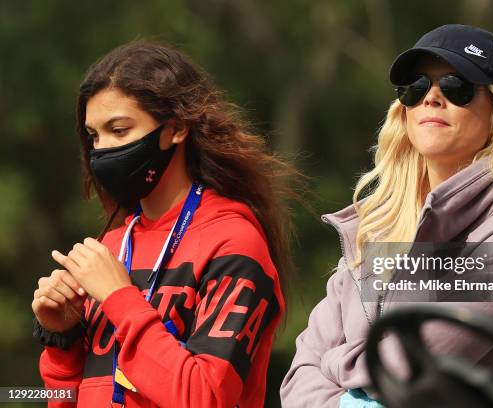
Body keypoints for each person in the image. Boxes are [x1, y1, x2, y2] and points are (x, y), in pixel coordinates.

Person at [280, 24, 493, 407]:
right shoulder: (372, 228)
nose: (431, 97)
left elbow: (405, 368)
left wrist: (331, 368)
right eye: (416, 86)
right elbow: (297, 378)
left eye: (455, 85)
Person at [32, 40, 297, 407]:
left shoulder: (233, 241)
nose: (103, 150)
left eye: (120, 130)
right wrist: (61, 337)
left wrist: (118, 299)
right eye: (94, 136)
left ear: (175, 128)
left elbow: (206, 396)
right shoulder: (112, 247)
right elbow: (67, 399)